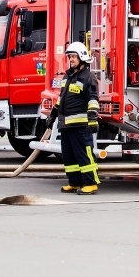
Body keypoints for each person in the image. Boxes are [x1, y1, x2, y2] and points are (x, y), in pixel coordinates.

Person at [47, 41, 101, 195]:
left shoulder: (88, 78)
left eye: (73, 56)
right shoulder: (68, 76)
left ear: (82, 57)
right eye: (69, 56)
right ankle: (75, 182)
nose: (71, 59)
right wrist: (53, 115)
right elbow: (61, 99)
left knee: (84, 154)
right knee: (69, 155)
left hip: (80, 125)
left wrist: (92, 119)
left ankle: (90, 183)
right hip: (66, 124)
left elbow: (93, 99)